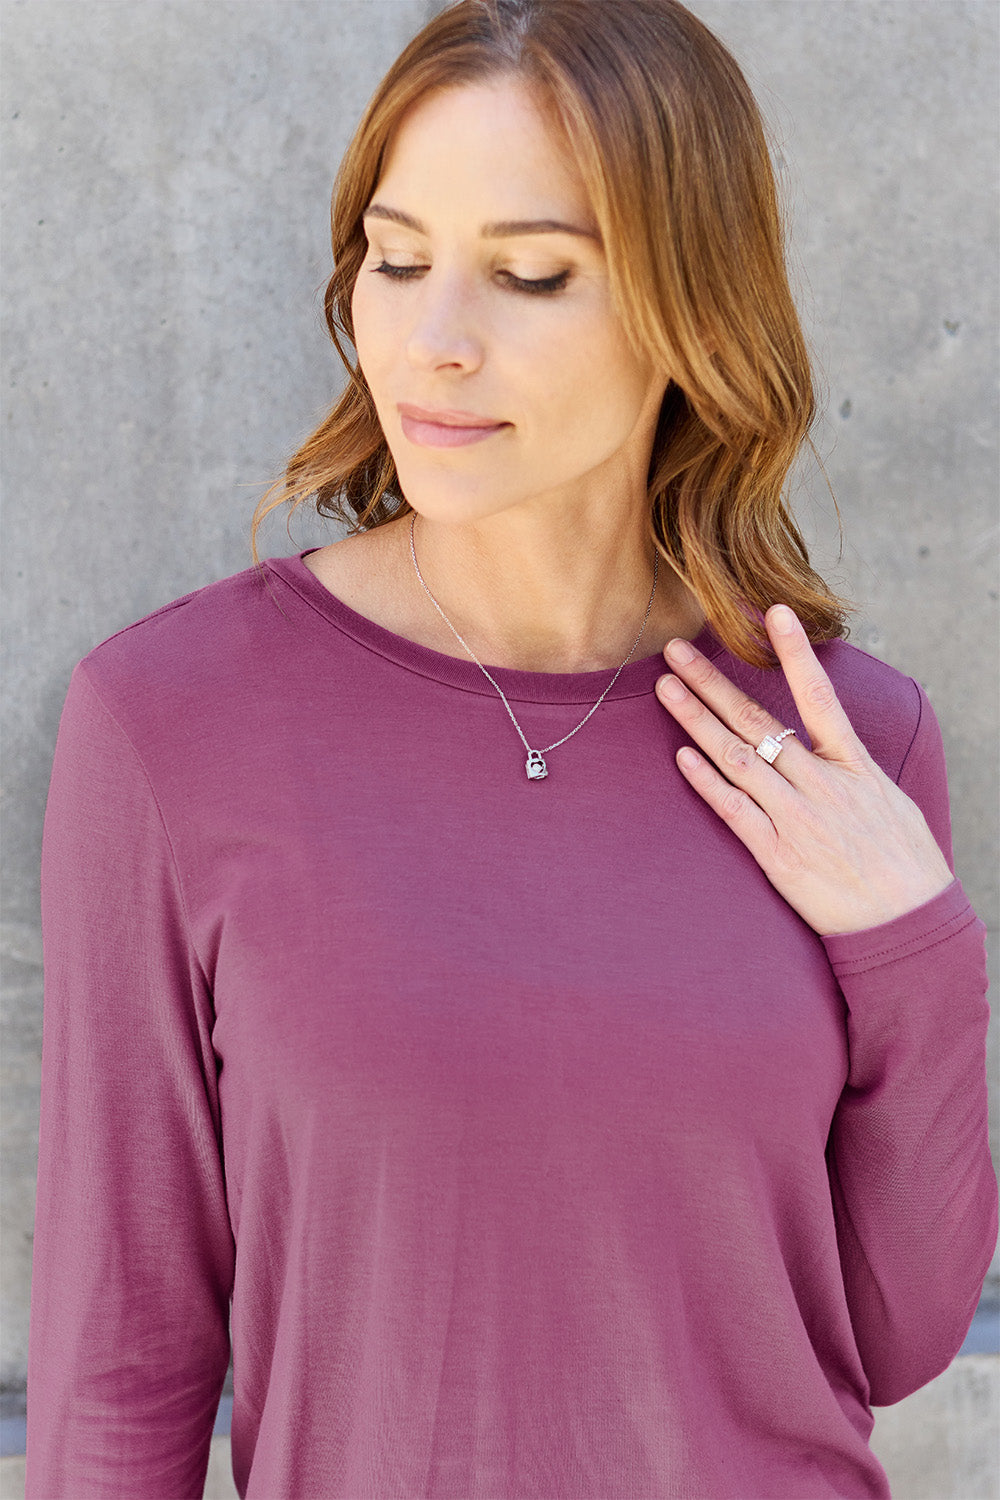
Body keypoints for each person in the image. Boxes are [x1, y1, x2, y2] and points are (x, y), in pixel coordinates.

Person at [25, 0, 996, 1496]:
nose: (433, 341)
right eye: (396, 261)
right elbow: (121, 1368)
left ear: (693, 310)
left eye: (529, 275)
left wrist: (915, 949)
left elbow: (893, 1336)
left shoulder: (844, 742)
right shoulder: (172, 726)